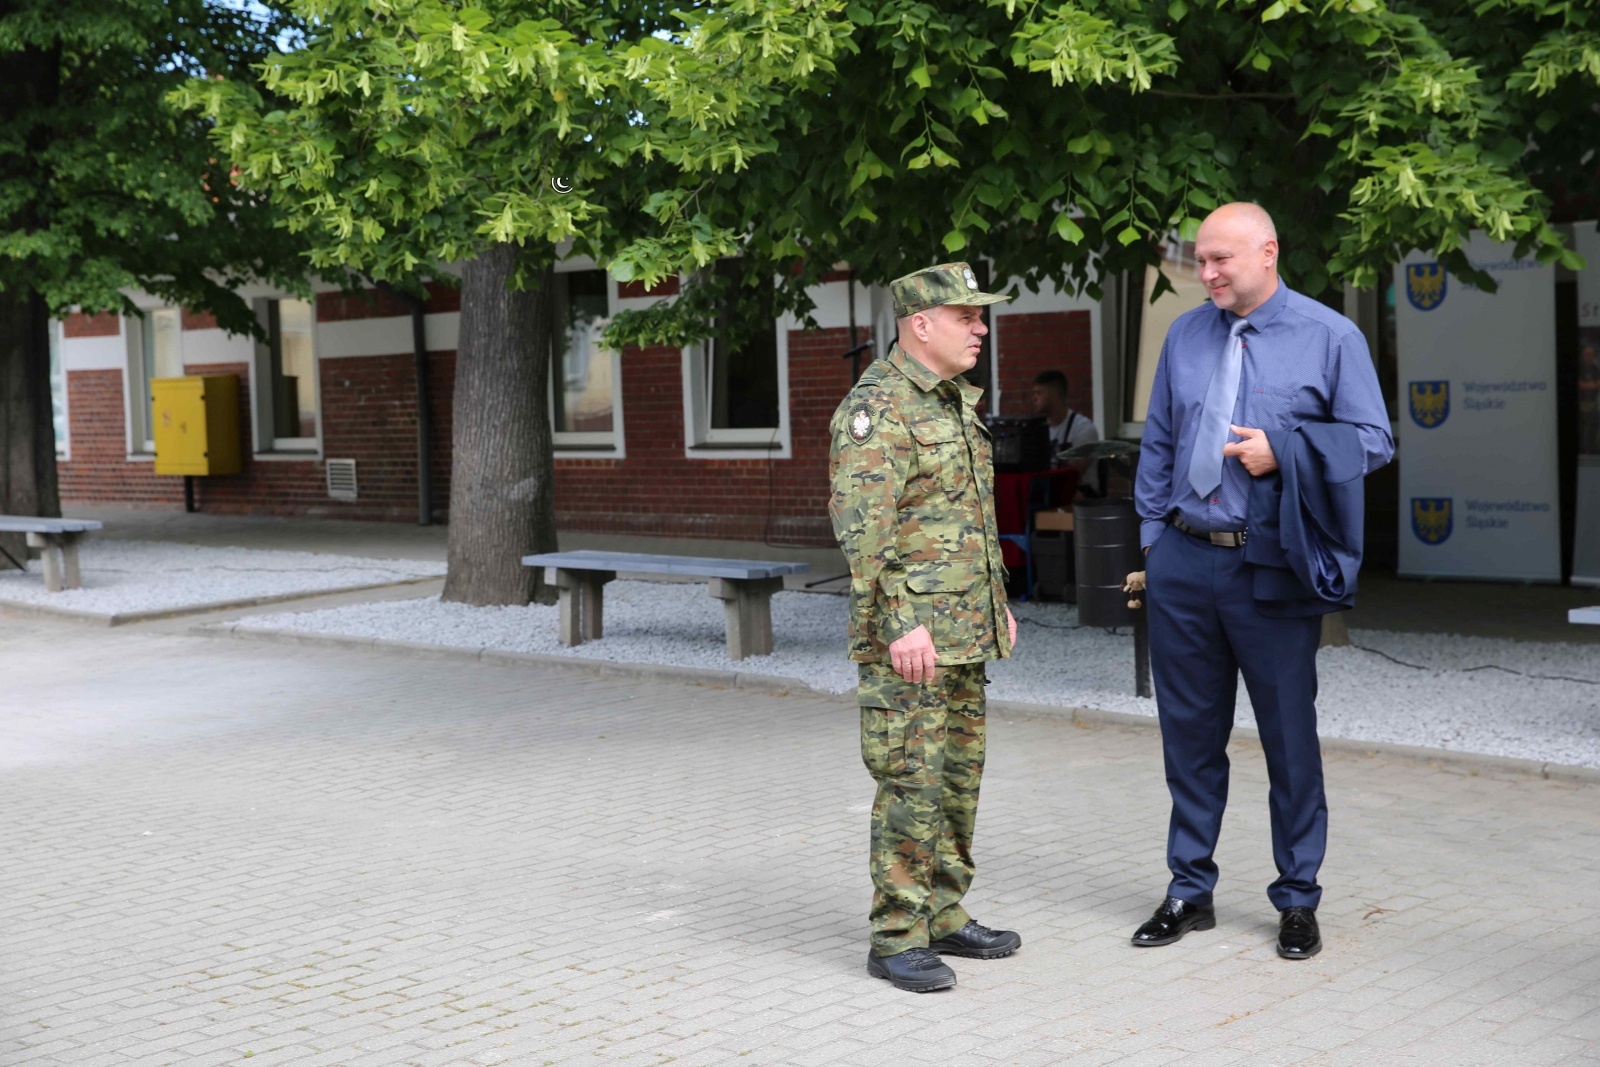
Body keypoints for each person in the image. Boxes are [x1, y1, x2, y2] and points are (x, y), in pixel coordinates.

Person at [1130, 203, 1393, 961]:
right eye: (1200, 260)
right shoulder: (1184, 334)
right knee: (1189, 735)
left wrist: (1285, 447)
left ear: (1268, 252)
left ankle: (1298, 898)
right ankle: (1190, 888)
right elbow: (1160, 443)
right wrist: (1155, 541)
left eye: (1221, 260)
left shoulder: (1330, 336)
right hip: (1182, 560)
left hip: (1269, 564)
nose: (1205, 273)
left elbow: (1374, 441)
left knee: (1288, 737)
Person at [829, 261, 1022, 993]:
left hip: (965, 632)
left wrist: (995, 601)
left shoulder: (950, 403)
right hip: (911, 641)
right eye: (966, 316)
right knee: (910, 782)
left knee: (956, 780)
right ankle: (896, 935)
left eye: (982, 315)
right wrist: (901, 623)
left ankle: (943, 910)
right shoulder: (878, 408)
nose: (980, 327)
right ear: (920, 324)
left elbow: (967, 519)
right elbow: (863, 531)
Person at [1031, 370, 1100, 454]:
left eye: (1039, 393)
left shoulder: (1083, 428)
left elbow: (1079, 466)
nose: (1034, 398)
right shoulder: (1036, 430)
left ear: (1055, 395)